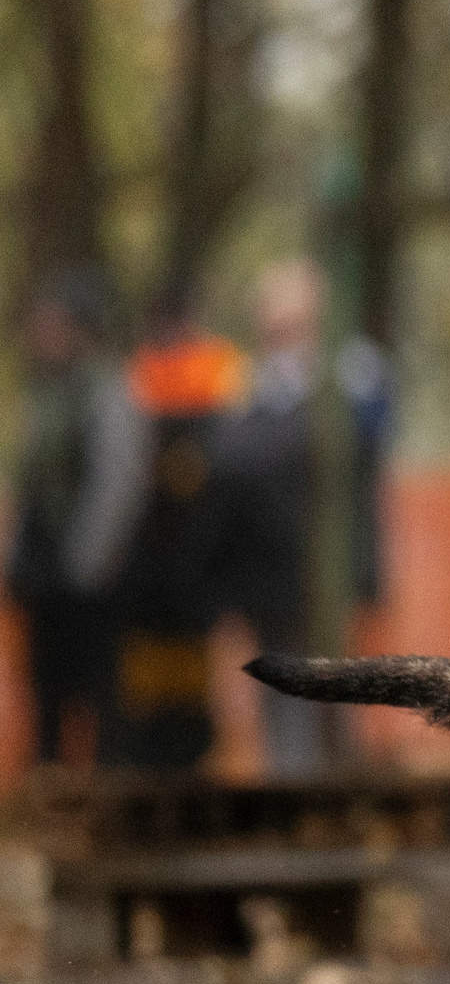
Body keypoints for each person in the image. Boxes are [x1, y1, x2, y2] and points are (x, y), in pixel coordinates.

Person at [215, 258, 394, 774]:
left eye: (292, 328)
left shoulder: (349, 389)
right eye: (274, 329)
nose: (281, 342)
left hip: (323, 581)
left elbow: (362, 482)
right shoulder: (249, 396)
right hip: (274, 584)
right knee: (291, 705)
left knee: (332, 699)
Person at [6, 269, 150, 768]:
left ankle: (103, 800)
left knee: (99, 694)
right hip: (46, 572)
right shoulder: (47, 393)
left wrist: (85, 563)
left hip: (89, 577)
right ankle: (51, 794)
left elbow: (117, 484)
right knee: (46, 692)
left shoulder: (107, 390)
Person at [107, 293, 250, 770]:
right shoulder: (138, 377)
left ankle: (188, 745)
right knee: (148, 666)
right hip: (150, 558)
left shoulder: (218, 373)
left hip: (196, 552)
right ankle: (152, 746)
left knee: (191, 665)